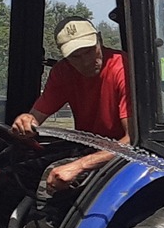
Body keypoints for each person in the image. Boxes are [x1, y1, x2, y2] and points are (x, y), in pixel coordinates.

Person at [11, 18, 129, 190]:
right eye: (75, 56)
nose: (86, 61)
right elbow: (34, 119)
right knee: (12, 169)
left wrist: (79, 166)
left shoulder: (123, 69)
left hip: (122, 154)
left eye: (89, 51)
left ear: (100, 40)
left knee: (50, 181)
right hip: (88, 145)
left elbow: (133, 141)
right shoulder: (63, 72)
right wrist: (25, 121)